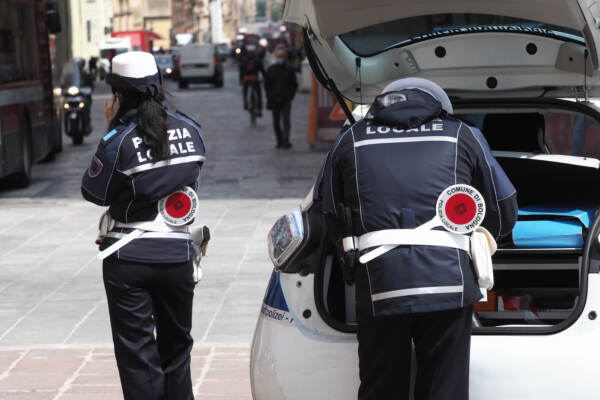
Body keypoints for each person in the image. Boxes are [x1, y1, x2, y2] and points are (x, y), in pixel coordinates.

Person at [316, 78, 518, 400]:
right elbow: (504, 208)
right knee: (444, 388)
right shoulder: (462, 135)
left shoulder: (350, 139)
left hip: (380, 282)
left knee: (381, 387)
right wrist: (480, 238)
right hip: (448, 284)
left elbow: (326, 210)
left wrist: (350, 263)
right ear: (438, 106)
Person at [81, 51, 206, 400]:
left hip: (128, 256)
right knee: (177, 350)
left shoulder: (118, 141)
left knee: (138, 356)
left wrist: (111, 127)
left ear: (119, 96)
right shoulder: (191, 130)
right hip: (177, 254)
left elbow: (94, 192)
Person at [264, 45, 298, 149]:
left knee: (286, 120)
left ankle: (286, 141)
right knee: (276, 122)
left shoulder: (290, 70)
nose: (280, 59)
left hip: (286, 99)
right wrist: (269, 96)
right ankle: (279, 141)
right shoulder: (271, 69)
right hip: (274, 99)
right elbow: (267, 85)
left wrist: (290, 96)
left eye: (282, 57)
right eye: (279, 57)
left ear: (285, 58)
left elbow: (294, 85)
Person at [239, 50, 264, 116]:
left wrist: (241, 80)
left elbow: (241, 72)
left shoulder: (243, 61)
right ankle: (259, 108)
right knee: (259, 94)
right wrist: (265, 78)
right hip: (255, 79)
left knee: (245, 92)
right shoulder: (258, 61)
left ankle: (246, 103)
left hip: (246, 79)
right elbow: (262, 71)